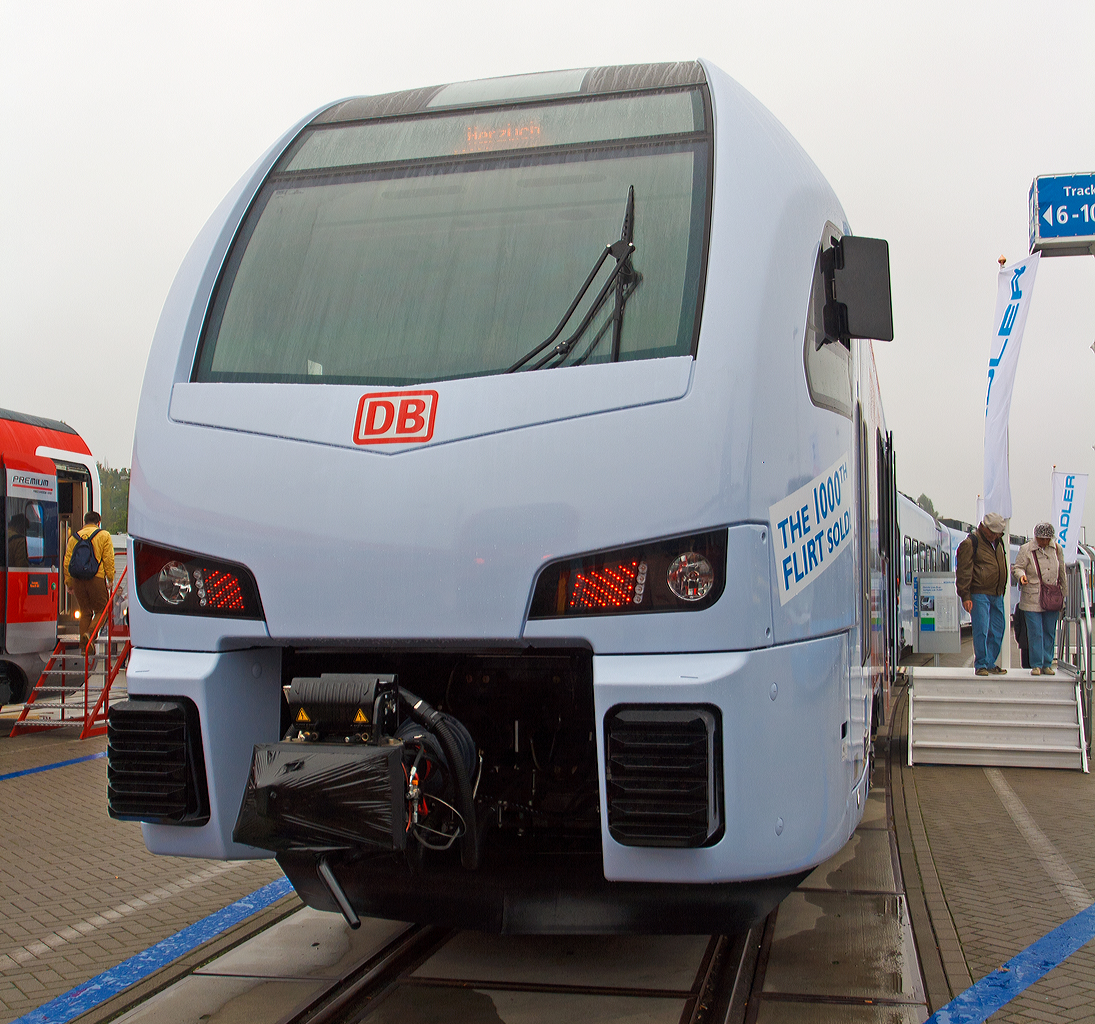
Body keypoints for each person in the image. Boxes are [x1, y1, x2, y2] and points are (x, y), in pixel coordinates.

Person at [955, 511, 1008, 676]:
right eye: (993, 533)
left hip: (997, 593)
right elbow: (964, 570)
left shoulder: (999, 543)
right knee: (981, 629)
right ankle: (981, 664)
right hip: (979, 593)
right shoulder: (971, 543)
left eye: (998, 533)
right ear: (985, 529)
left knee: (998, 628)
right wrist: (965, 595)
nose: (995, 536)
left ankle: (990, 662)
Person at [1012, 522, 1067, 676]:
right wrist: (1021, 576)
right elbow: (1017, 567)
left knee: (1049, 631)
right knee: (1035, 632)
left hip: (1052, 598)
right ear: (1036, 537)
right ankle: (1036, 664)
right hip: (1032, 597)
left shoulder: (1057, 549)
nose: (1044, 542)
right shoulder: (1026, 549)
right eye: (1041, 539)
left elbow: (1061, 570)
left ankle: (1047, 664)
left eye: (1047, 539)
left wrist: (1064, 594)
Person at [63, 511, 115, 653]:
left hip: (78, 579)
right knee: (103, 609)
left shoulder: (74, 538)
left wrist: (69, 582)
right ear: (98, 522)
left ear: (84, 522)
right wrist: (110, 578)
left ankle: (84, 648)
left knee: (85, 612)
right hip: (96, 578)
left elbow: (67, 561)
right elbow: (108, 558)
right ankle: (90, 635)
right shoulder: (103, 535)